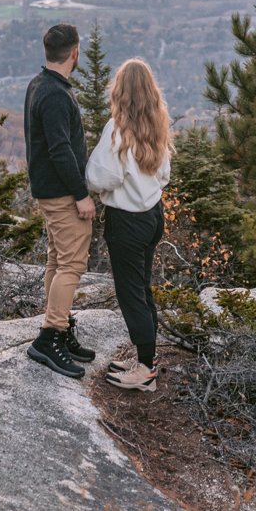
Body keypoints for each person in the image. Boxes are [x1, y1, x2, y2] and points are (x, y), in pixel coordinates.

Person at [85, 58, 172, 392]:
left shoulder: (118, 129)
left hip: (127, 221)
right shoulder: (157, 124)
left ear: (120, 91)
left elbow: (98, 177)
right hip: (153, 215)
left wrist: (108, 188)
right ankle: (145, 360)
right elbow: (164, 175)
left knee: (130, 292)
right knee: (142, 287)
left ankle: (146, 371)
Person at [23, 22, 96, 378]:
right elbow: (60, 150)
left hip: (48, 190)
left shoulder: (40, 84)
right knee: (72, 266)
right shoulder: (54, 94)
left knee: (57, 259)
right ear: (75, 52)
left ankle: (59, 329)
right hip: (62, 192)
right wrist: (81, 195)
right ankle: (48, 339)